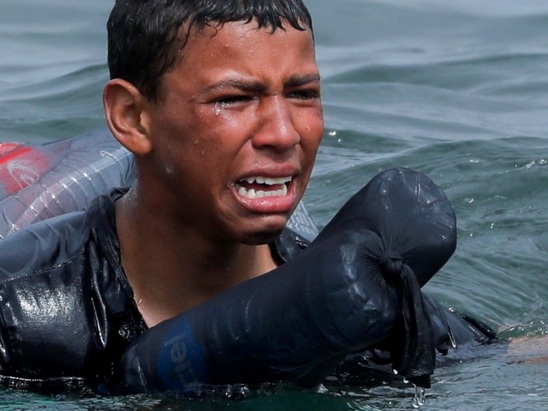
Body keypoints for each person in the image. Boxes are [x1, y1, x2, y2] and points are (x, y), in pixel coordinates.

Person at [0, 0, 493, 396]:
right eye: (233, 99)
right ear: (132, 117)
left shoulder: (363, 316)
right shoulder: (20, 317)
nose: (284, 133)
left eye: (302, 94)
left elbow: (504, 363)